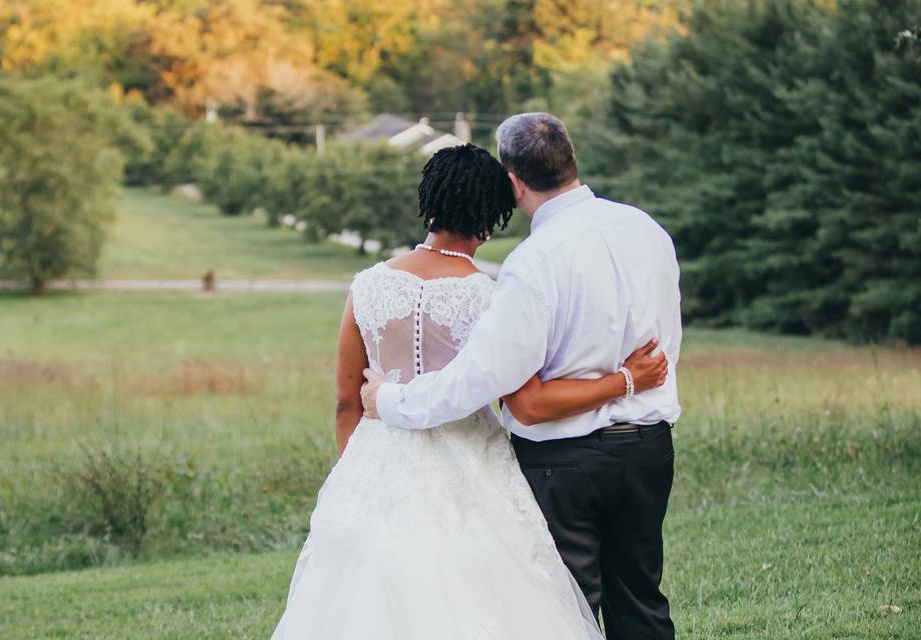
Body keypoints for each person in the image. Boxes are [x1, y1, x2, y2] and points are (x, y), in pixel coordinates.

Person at [271, 143, 668, 639]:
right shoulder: (489, 294)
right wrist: (626, 379)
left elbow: (346, 402)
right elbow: (522, 400)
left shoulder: (368, 286)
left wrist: (360, 473)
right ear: (492, 215)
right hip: (471, 471)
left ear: (430, 201)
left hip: (375, 465)